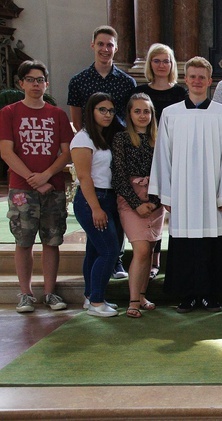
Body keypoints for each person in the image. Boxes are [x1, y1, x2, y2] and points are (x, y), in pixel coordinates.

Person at [148, 57, 222, 313]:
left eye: (202, 76)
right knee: (186, 244)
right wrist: (165, 193)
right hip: (182, 192)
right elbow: (163, 156)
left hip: (214, 193)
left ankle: (211, 295)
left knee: (213, 242)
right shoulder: (171, 114)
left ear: (210, 81)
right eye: (192, 76)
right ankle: (188, 295)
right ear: (185, 80)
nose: (197, 81)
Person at [0, 60, 73, 313]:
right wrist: (33, 178)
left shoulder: (58, 114)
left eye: (40, 80)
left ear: (46, 83)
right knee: (24, 241)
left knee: (52, 241)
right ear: (21, 83)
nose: (35, 84)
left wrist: (46, 176)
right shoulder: (9, 112)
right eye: (30, 80)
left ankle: (51, 293)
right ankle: (25, 293)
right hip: (22, 188)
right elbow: (6, 152)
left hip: (52, 187)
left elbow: (67, 153)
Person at [68, 25, 136, 280]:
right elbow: (76, 120)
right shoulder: (79, 81)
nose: (105, 49)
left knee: (118, 209)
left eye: (110, 44)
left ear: (116, 48)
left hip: (117, 147)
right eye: (101, 44)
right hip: (93, 147)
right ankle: (96, 278)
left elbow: (129, 119)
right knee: (98, 215)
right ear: (93, 45)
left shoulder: (126, 81)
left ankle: (117, 260)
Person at [130, 43, 187, 281]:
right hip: (143, 154)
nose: (162, 65)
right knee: (147, 203)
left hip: (173, 154)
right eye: (157, 60)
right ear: (149, 64)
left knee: (164, 205)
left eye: (166, 61)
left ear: (172, 65)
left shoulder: (180, 93)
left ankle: (157, 259)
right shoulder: (140, 91)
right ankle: (148, 255)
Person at [111, 93, 165, 318]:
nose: (142, 115)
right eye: (137, 111)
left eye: (147, 111)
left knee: (150, 249)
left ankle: (142, 295)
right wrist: (136, 204)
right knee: (141, 249)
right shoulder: (121, 139)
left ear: (152, 115)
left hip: (155, 198)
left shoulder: (160, 138)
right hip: (130, 198)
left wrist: (154, 202)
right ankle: (133, 300)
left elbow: (166, 172)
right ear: (130, 114)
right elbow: (119, 177)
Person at [70, 92, 123, 317]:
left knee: (94, 250)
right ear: (90, 112)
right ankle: (97, 303)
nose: (107, 114)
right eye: (102, 109)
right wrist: (96, 208)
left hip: (108, 197)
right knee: (110, 250)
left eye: (111, 110)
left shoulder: (104, 136)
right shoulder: (83, 139)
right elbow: (84, 178)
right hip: (92, 199)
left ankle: (90, 296)